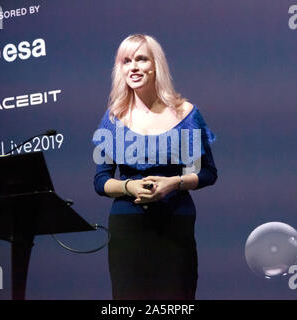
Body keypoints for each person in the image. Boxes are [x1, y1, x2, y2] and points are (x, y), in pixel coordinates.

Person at [93, 34, 218, 300]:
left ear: (156, 64)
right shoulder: (113, 118)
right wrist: (129, 186)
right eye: (126, 61)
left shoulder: (185, 113)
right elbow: (101, 180)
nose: (133, 67)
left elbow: (207, 172)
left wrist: (174, 183)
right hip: (128, 227)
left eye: (141, 59)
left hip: (175, 224)